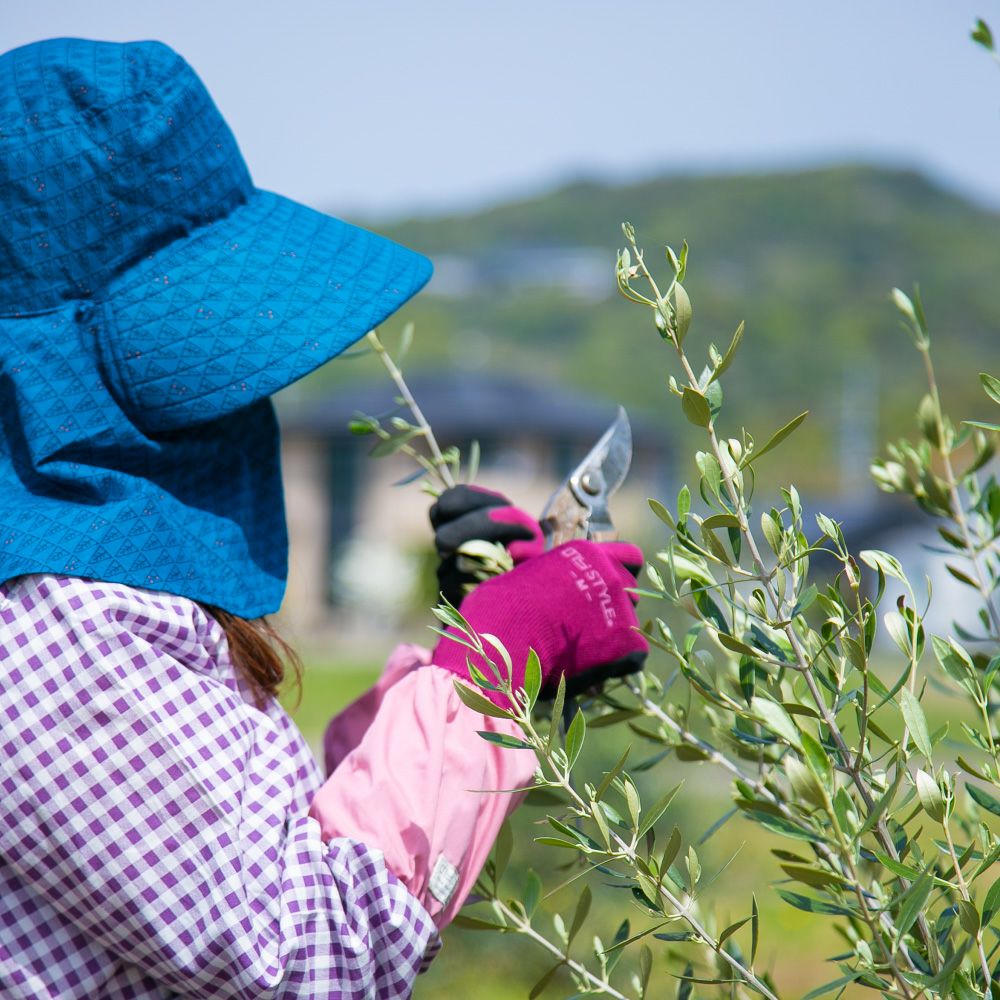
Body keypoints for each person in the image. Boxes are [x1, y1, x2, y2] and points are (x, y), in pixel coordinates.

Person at [0, 37, 648, 999]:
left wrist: (445, 679)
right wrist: (495, 665)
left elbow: (272, 841)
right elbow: (311, 954)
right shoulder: (50, 629)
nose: (236, 396)